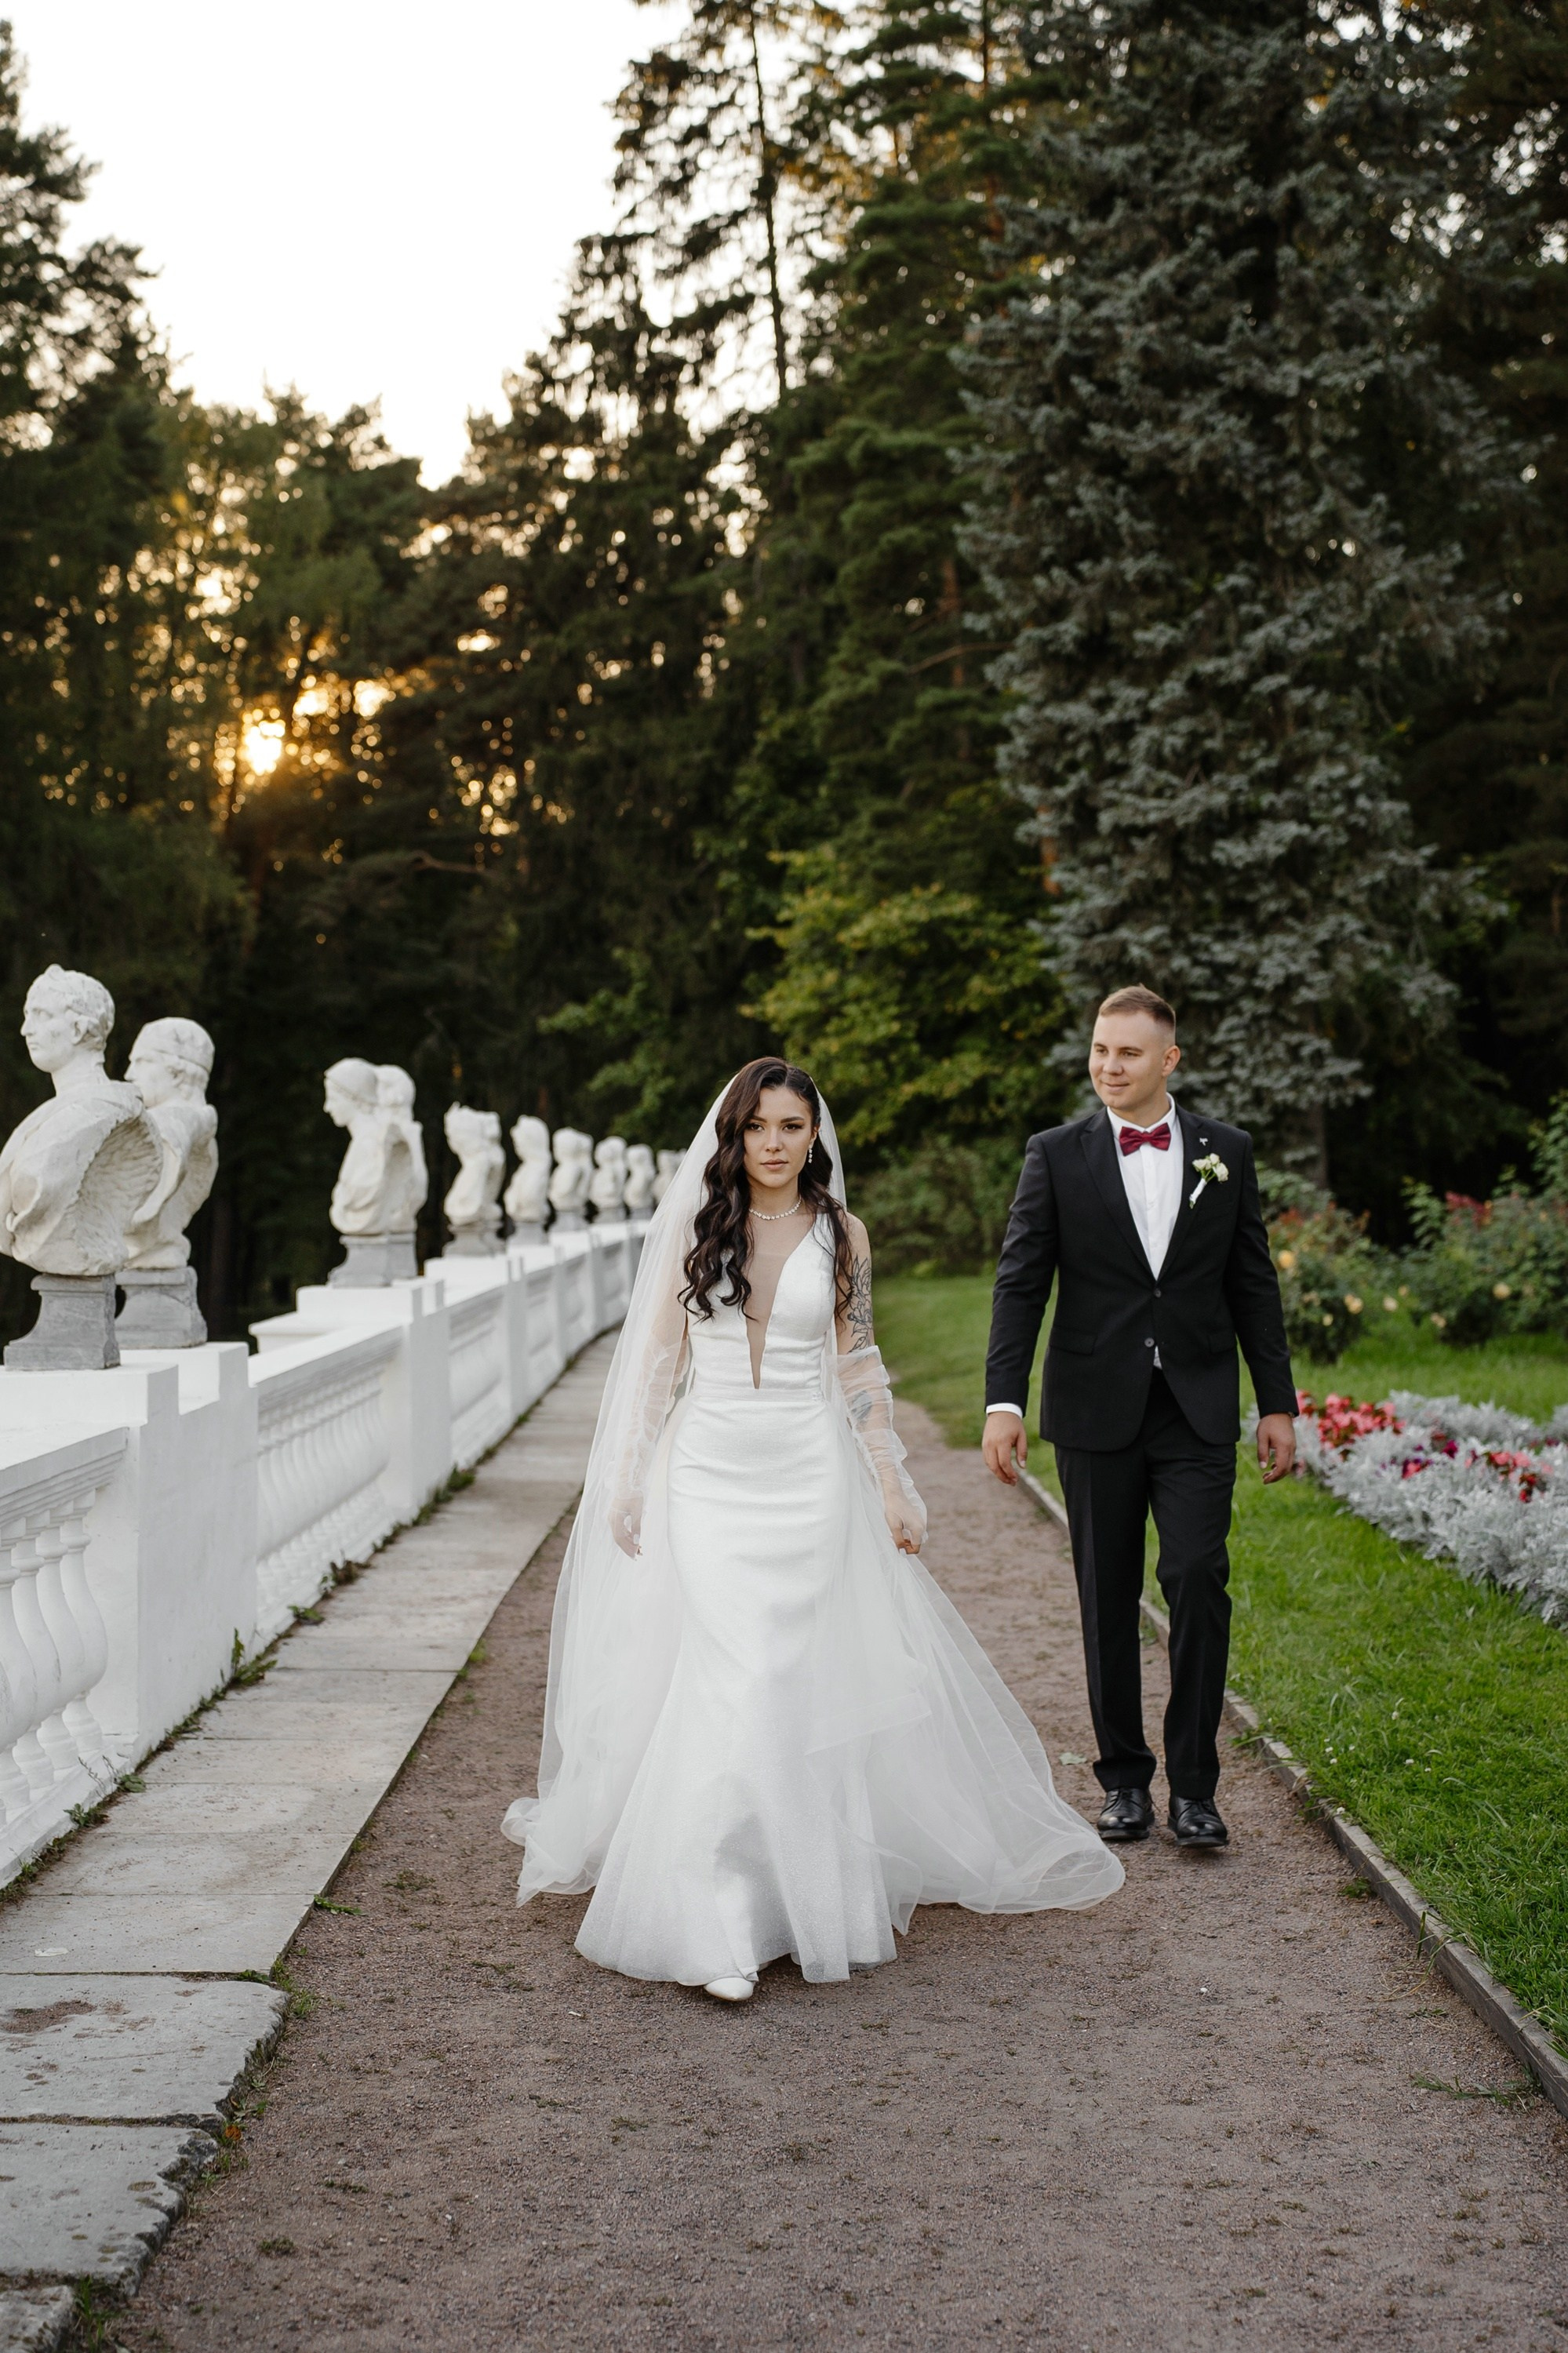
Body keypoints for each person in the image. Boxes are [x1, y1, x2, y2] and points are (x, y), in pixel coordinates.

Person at [504, 1057, 1123, 2000]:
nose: (773, 1145)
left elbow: (860, 1365)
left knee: (790, 1681)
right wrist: (627, 1483)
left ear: (813, 1137)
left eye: (791, 1127)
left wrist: (892, 1485)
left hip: (808, 1479)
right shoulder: (694, 1232)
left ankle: (785, 1900)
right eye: (757, 1128)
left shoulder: (844, 1236)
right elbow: (655, 1369)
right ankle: (712, 1914)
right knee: (734, 1671)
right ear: (734, 1136)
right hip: (708, 1475)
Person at [981, 987, 1297, 1852]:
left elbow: (1251, 1283)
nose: (1107, 1067)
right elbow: (1020, 1284)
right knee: (1105, 1597)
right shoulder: (1055, 1154)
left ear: (1169, 1060)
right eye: (1098, 1050)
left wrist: (1277, 1403)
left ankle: (1196, 1788)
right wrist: (1003, 1401)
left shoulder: (1224, 1154)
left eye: (1126, 1053)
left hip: (1195, 1409)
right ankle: (1123, 1782)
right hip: (1093, 1409)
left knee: (1197, 1577)